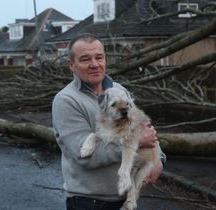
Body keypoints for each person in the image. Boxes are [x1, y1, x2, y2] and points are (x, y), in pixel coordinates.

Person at [52, 33, 166, 210]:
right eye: (85, 59)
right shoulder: (66, 101)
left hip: (125, 198)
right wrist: (135, 142)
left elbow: (143, 127)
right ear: (71, 65)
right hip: (89, 202)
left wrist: (159, 161)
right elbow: (86, 158)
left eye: (99, 57)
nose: (95, 64)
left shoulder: (119, 90)